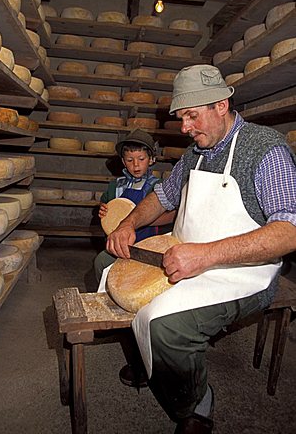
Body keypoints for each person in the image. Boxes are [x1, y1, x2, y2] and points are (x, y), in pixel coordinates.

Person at [104, 65, 296, 433]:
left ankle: (196, 403)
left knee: (169, 328)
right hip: (187, 251)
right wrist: (128, 224)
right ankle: (155, 364)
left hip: (244, 272)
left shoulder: (265, 148)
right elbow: (162, 197)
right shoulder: (195, 152)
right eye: (181, 117)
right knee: (110, 261)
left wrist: (206, 255)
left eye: (192, 116)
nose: (184, 127)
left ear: (222, 105)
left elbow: (289, 230)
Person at [94, 128, 175, 282]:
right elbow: (105, 203)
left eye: (141, 159)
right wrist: (103, 209)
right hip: (120, 244)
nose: (136, 165)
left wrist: (144, 218)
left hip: (148, 246)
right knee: (101, 263)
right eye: (130, 160)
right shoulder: (116, 185)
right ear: (124, 161)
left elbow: (173, 215)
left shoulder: (159, 186)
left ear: (151, 159)